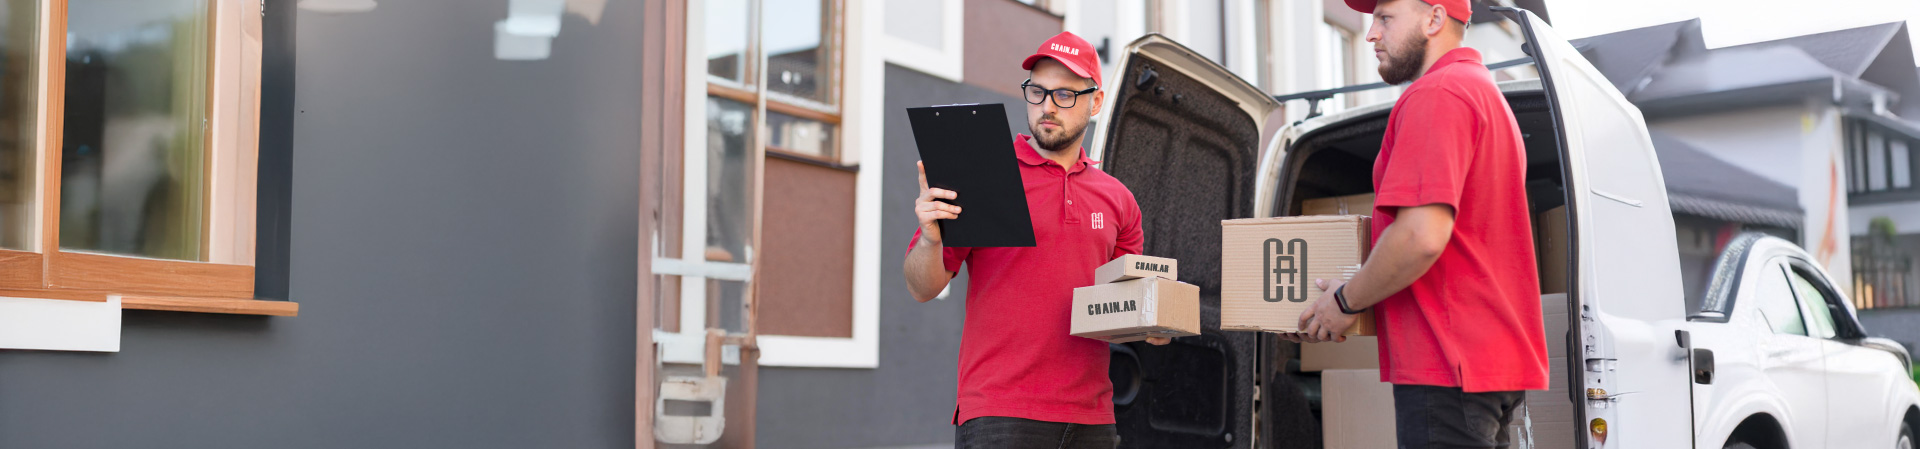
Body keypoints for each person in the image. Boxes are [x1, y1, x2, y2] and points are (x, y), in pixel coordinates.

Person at [1281, 0, 1549, 447]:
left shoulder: (1437, 93)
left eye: (1385, 18)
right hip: (1483, 364)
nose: (1371, 34)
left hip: (1447, 362)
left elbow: (1419, 236)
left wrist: (1343, 304)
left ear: (1435, 19)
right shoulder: (1481, 92)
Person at [903, 31, 1163, 449]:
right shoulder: (983, 174)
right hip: (999, 411)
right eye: (1037, 91)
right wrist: (932, 240)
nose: (1047, 106)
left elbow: (1123, 305)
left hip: (1092, 417)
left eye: (1064, 95)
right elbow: (921, 287)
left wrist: (1155, 321)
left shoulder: (1118, 199)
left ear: (1094, 102)